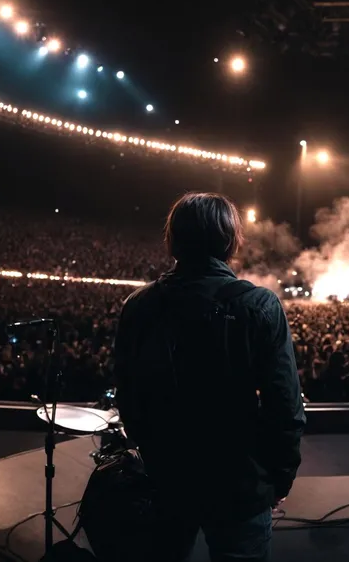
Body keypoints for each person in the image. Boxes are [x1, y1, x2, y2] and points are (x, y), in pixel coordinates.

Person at [114, 192, 305, 562]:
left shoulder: (138, 306)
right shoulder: (260, 305)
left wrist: (151, 454)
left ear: (173, 239)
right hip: (240, 482)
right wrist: (279, 477)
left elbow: (128, 394)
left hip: (165, 477)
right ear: (230, 241)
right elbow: (285, 406)